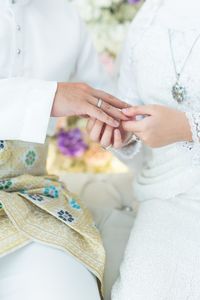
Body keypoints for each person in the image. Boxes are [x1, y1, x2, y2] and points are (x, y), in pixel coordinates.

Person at [0, 1, 129, 299]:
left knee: (64, 287)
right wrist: (48, 95)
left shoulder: (63, 14)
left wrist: (119, 130)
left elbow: (109, 102)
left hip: (28, 199)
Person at [87, 0, 200, 299]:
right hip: (166, 200)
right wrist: (121, 134)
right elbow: (130, 107)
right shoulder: (149, 17)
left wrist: (189, 127)